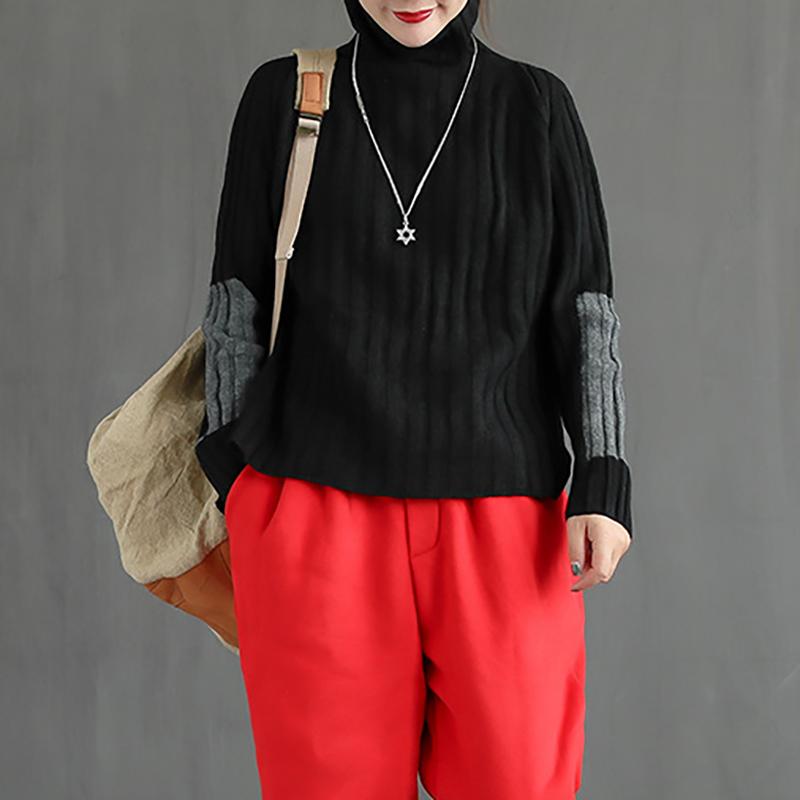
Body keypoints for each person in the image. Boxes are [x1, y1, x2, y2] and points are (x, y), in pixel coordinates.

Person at [195, 1, 633, 797]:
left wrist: (603, 476)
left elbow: (584, 311)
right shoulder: (285, 97)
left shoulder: (535, 107)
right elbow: (236, 303)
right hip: (315, 514)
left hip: (504, 523)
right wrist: (238, 482)